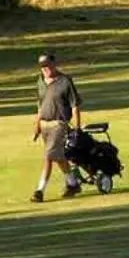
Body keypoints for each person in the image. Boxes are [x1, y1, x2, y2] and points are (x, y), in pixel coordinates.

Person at [32, 51, 84, 202]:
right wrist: (37, 126)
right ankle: (73, 184)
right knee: (58, 157)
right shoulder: (40, 81)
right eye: (42, 66)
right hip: (45, 125)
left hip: (59, 124)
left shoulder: (65, 81)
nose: (45, 69)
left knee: (49, 156)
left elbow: (75, 106)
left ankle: (39, 191)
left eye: (47, 65)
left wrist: (77, 129)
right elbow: (40, 106)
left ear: (54, 64)